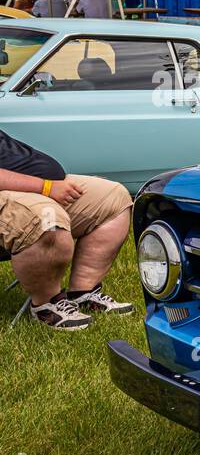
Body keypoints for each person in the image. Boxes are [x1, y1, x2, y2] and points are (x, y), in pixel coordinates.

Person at [0, 129, 134, 330]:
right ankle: (47, 305)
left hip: (36, 187)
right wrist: (45, 187)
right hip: (20, 192)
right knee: (47, 217)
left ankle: (83, 292)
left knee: (113, 197)